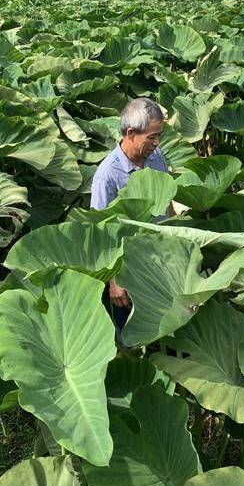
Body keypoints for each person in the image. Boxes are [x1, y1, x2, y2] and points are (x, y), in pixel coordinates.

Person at [90, 97, 174, 334]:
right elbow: (99, 233)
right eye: (152, 137)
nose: (157, 143)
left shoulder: (156, 157)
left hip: (160, 260)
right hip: (127, 270)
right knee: (131, 335)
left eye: (160, 135)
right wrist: (114, 281)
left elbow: (166, 200)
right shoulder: (107, 175)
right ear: (129, 133)